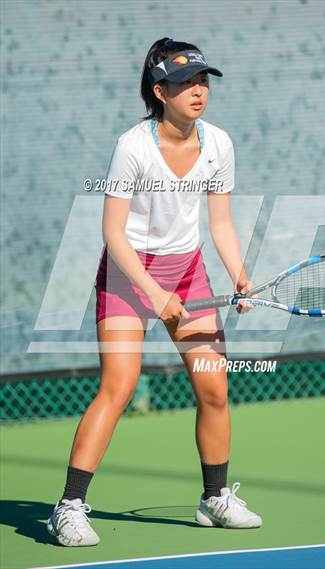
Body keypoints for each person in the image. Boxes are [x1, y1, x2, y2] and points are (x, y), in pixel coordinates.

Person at [47, 37, 262, 547]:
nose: (198, 92)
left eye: (203, 81)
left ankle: (214, 499)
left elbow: (221, 222)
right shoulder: (133, 146)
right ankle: (69, 507)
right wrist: (153, 294)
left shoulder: (220, 145)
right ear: (159, 91)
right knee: (118, 388)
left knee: (214, 389)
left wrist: (239, 274)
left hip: (187, 270)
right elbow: (113, 234)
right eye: (186, 83)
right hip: (128, 275)